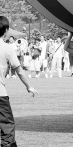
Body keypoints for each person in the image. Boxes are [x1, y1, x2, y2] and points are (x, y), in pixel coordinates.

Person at [0, 16, 38, 147]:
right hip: (0, 94)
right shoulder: (7, 48)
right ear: (6, 30)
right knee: (7, 127)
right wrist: (29, 86)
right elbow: (20, 71)